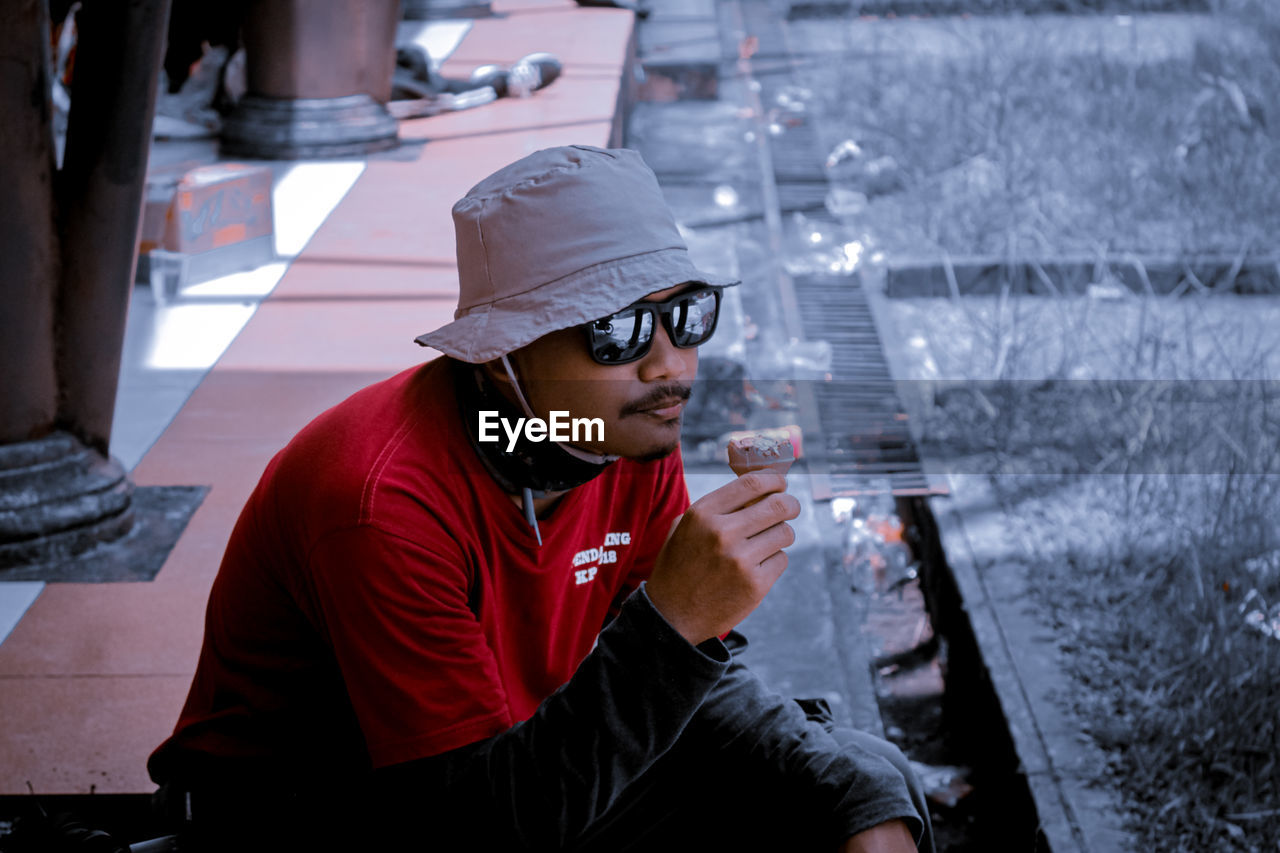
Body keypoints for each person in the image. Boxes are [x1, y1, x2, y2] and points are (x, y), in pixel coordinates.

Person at [148, 145, 933, 852]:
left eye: (685, 316)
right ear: (500, 362)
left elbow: (684, 685)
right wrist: (673, 624)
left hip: (513, 766)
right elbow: (475, 829)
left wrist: (827, 774)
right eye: (617, 333)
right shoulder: (382, 502)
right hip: (325, 812)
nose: (669, 366)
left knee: (856, 780)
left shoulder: (622, 434)